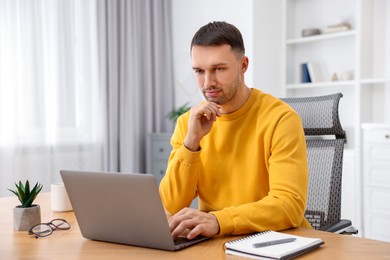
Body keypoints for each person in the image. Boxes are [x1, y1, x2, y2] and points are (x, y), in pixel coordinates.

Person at [159, 21, 311, 241]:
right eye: (199, 71)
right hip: (217, 243)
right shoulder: (188, 123)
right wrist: (191, 142)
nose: (208, 82)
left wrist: (219, 220)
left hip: (275, 242)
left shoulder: (281, 119)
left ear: (243, 65)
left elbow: (289, 206)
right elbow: (171, 204)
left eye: (219, 69)